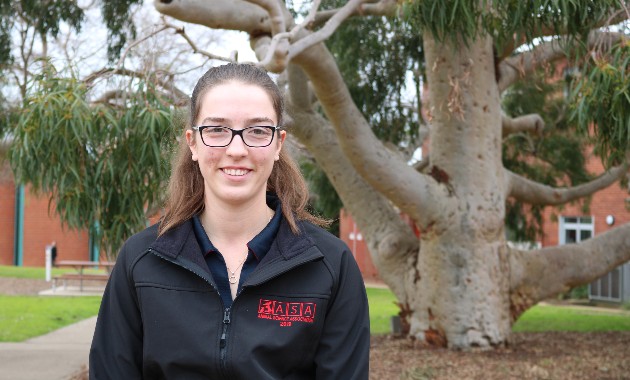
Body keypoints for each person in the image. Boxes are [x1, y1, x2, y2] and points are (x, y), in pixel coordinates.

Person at [89, 63, 370, 379]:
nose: (237, 149)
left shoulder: (331, 265)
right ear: (193, 143)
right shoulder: (140, 260)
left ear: (278, 144)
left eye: (258, 131)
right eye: (217, 130)